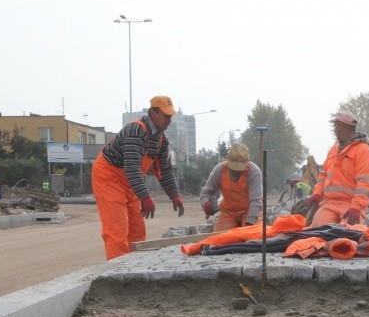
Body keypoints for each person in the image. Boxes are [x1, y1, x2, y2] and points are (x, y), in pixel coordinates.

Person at [92, 95, 184, 260]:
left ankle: (133, 268)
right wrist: (145, 196)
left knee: (137, 229)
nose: (169, 120)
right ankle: (117, 275)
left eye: (171, 116)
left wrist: (174, 194)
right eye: (165, 115)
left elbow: (165, 170)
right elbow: (132, 167)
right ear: (152, 113)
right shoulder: (137, 131)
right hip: (109, 177)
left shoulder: (161, 140)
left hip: (129, 181)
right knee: (117, 231)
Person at [307, 111, 369, 227]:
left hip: (351, 206)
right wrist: (317, 193)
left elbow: (365, 183)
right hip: (329, 204)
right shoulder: (334, 150)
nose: (334, 129)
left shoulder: (364, 151)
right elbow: (324, 175)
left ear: (341, 126)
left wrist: (357, 207)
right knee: (316, 233)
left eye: (335, 125)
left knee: (348, 237)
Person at [200, 142, 262, 232]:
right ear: (228, 160)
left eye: (239, 171)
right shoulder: (219, 170)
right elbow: (205, 193)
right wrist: (206, 204)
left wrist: (250, 224)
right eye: (233, 170)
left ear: (247, 162)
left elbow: (256, 201)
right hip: (228, 212)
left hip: (248, 211)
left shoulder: (254, 172)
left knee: (255, 236)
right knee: (220, 239)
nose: (236, 173)